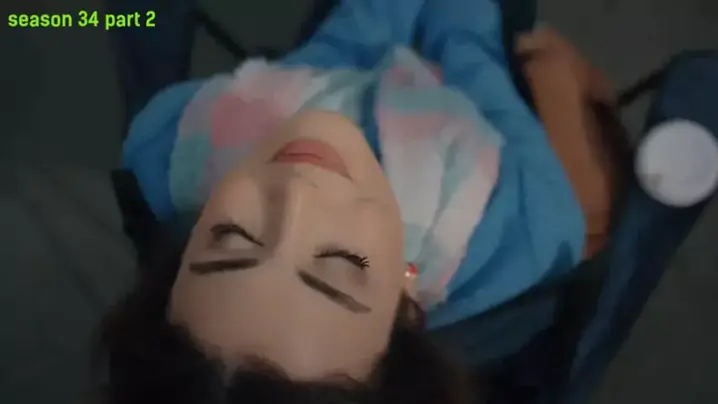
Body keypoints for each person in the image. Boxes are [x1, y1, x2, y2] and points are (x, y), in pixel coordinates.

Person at [101, 0, 624, 402]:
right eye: (341, 262)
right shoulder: (519, 223)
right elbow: (476, 55)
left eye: (231, 238)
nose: (298, 191)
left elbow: (329, 56)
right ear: (405, 304)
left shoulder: (173, 145)